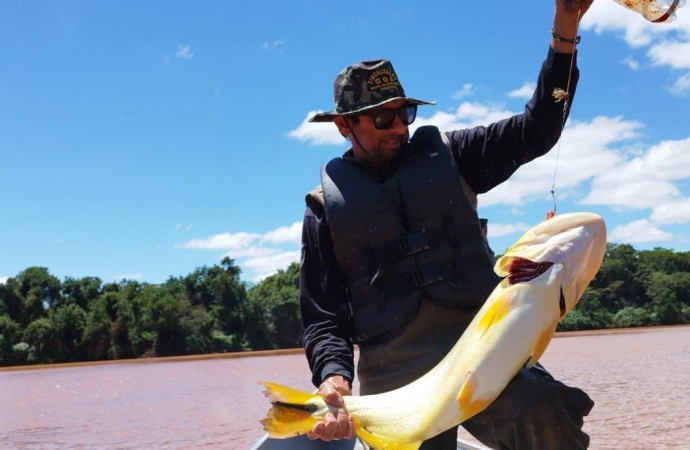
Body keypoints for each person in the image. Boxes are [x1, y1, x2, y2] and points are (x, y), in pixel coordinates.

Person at [299, 1, 596, 449]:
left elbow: (539, 128)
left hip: (481, 346)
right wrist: (334, 379)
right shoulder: (324, 211)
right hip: (395, 372)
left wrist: (565, 26)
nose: (398, 126)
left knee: (545, 413)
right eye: (382, 117)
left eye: (405, 113)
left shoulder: (455, 155)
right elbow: (324, 318)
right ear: (345, 126)